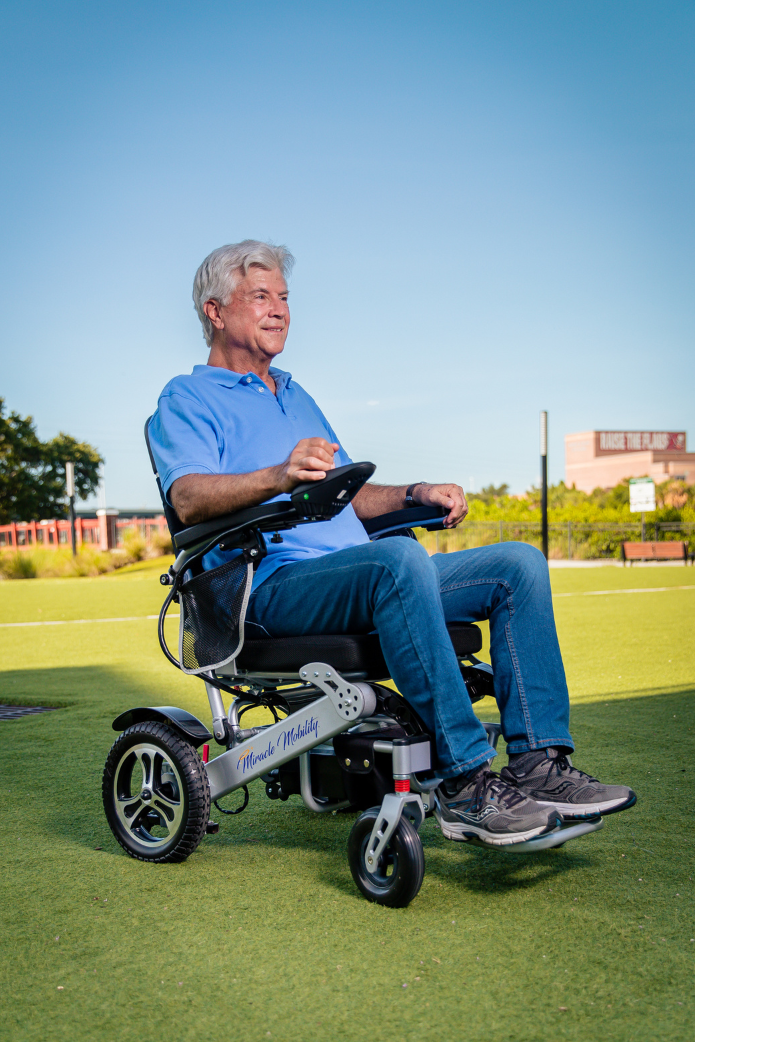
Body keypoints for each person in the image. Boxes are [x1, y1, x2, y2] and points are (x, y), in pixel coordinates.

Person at [148, 240, 636, 847]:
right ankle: (464, 786)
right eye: (260, 298)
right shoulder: (186, 398)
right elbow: (189, 498)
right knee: (398, 559)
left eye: (284, 298)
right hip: (268, 589)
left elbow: (349, 495)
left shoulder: (295, 395)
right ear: (216, 312)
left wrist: (418, 491)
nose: (279, 311)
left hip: (360, 574)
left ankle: (541, 765)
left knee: (519, 564)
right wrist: (279, 474)